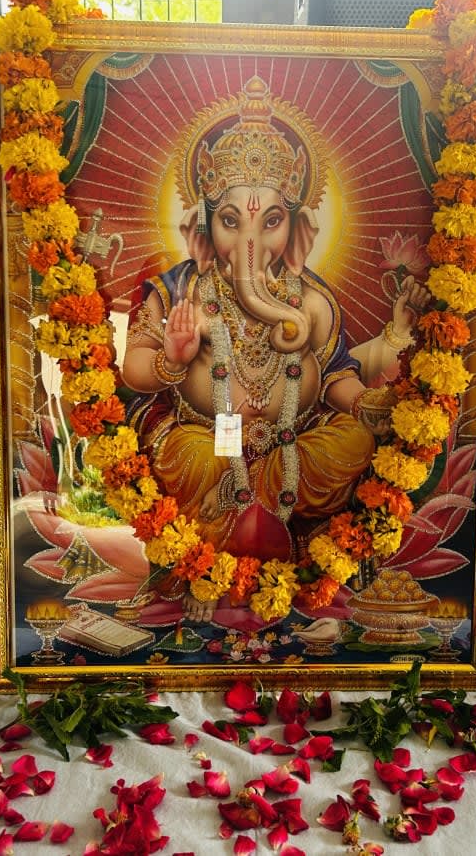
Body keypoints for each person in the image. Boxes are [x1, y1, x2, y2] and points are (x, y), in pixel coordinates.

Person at [121, 77, 428, 621]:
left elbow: (335, 375)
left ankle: (260, 525)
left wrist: (364, 403)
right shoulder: (177, 291)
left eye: (271, 222)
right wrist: (172, 358)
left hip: (291, 438)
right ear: (202, 227)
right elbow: (133, 370)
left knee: (354, 442)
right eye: (231, 221)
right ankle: (202, 566)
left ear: (297, 228)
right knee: (196, 457)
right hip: (210, 434)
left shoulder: (310, 297)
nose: (252, 242)